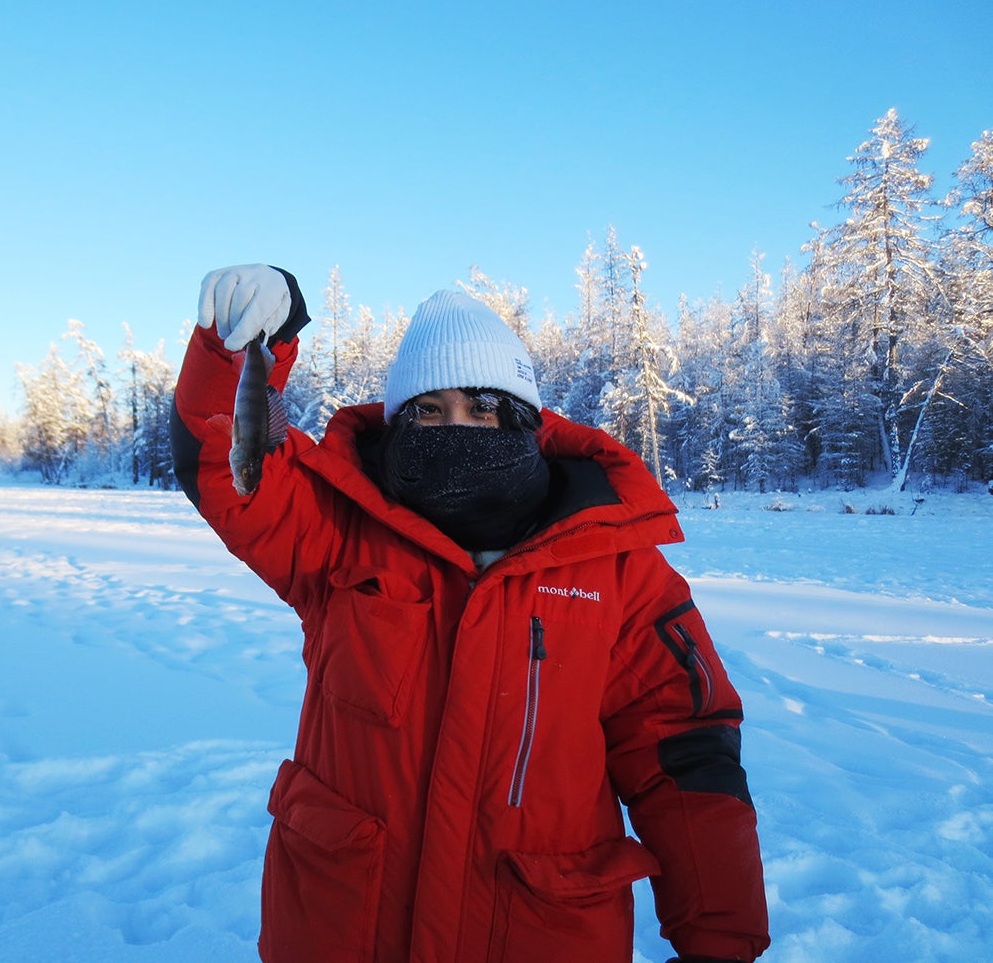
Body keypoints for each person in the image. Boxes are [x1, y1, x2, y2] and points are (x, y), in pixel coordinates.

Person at [171, 264, 769, 963]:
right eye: (427, 410)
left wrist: (720, 943)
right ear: (397, 427)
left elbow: (686, 752)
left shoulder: (617, 569)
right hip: (341, 930)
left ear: (522, 421)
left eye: (482, 406)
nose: (456, 427)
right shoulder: (337, 533)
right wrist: (241, 345)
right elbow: (218, 456)